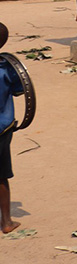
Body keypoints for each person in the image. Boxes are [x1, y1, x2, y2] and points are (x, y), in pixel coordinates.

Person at [1, 22, 26, 234]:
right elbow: (20, 90)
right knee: (1, 175)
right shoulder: (7, 67)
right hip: (2, 128)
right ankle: (7, 222)